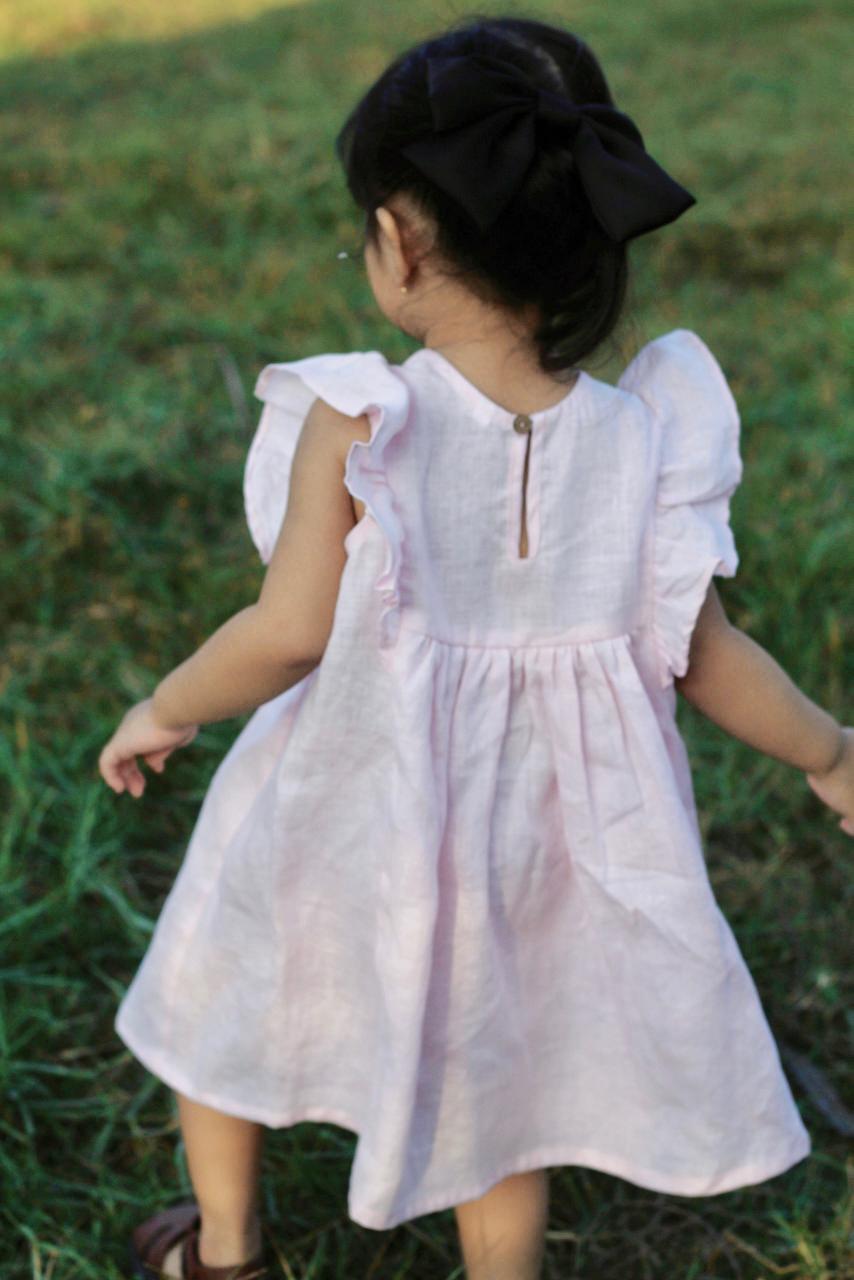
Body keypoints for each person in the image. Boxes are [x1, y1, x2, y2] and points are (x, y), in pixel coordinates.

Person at [97, 15, 853, 1280]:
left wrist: (165, 706)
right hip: (540, 844)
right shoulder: (642, 437)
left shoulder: (361, 418)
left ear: (396, 244)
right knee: (499, 1073)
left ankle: (222, 1248)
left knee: (232, 989)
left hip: (344, 805)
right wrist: (829, 750)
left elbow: (285, 634)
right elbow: (707, 655)